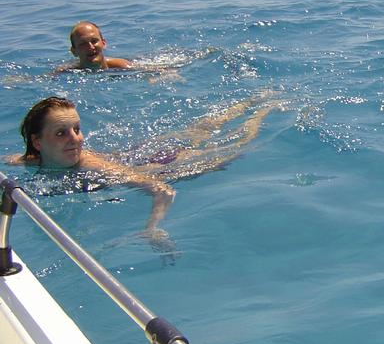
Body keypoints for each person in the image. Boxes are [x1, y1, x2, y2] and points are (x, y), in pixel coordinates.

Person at [11, 93, 283, 251]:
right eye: (61, 133)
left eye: (77, 129)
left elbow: (161, 189)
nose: (76, 139)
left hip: (166, 166)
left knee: (238, 143)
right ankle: (253, 101)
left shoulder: (90, 165)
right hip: (138, 154)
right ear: (38, 143)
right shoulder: (27, 161)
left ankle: (262, 109)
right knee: (198, 131)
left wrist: (151, 228)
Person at [58, 21, 133, 71]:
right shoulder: (66, 72)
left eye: (94, 41)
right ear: (74, 51)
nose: (90, 47)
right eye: (83, 44)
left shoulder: (123, 67)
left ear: (103, 43)